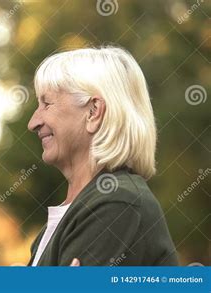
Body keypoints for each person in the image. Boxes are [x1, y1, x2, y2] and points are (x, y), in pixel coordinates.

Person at [27, 46, 178, 266]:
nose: (33, 123)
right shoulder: (89, 207)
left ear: (93, 112)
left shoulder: (116, 204)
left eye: (47, 104)